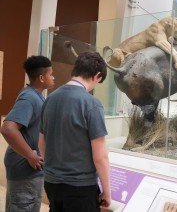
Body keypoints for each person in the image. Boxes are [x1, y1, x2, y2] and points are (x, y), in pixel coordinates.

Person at [38, 52, 111, 212]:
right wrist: (107, 191)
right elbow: (100, 157)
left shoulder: (50, 99)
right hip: (80, 188)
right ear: (97, 76)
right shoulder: (91, 104)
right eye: (98, 82)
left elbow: (41, 143)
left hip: (52, 184)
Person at [0, 55, 55, 212]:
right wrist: (30, 155)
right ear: (41, 77)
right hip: (25, 170)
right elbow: (7, 128)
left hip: (28, 169)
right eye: (50, 73)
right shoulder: (29, 97)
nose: (53, 77)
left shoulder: (34, 95)